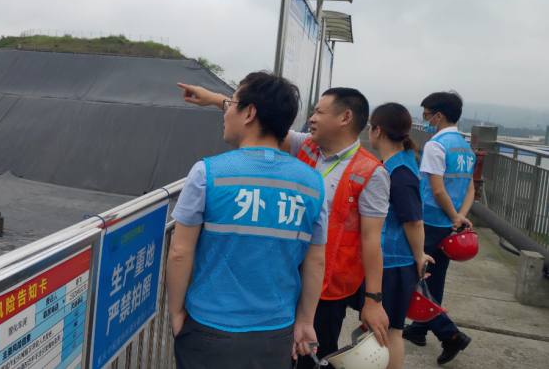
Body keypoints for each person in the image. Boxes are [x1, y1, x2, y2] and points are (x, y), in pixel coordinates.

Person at [178, 83, 391, 369]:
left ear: (345, 118)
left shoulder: (372, 172)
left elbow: (371, 239)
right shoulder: (307, 146)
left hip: (327, 290)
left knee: (309, 358)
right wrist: (216, 100)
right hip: (283, 281)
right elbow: (263, 124)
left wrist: (373, 299)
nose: (312, 118)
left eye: (319, 112)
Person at [166, 71, 329, 368]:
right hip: (276, 331)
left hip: (208, 326)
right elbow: (316, 261)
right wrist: (304, 320)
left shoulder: (207, 173)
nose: (226, 112)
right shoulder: (313, 183)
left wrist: (176, 312)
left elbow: (180, 252)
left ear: (249, 113)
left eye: (231, 104)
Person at [403, 91, 475, 365]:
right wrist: (459, 217)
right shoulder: (464, 146)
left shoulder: (436, 145)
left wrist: (453, 214)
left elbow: (437, 189)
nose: (425, 121)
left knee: (413, 276)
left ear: (438, 115)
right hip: (449, 226)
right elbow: (470, 188)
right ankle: (420, 329)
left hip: (430, 222)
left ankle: (450, 335)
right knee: (434, 279)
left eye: (425, 115)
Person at [360, 103, 435, 369]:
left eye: (370, 126)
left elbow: (414, 221)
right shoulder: (397, 163)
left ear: (377, 130)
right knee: (380, 331)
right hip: (390, 261)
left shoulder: (400, 172)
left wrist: (419, 256)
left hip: (394, 263)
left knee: (389, 333)